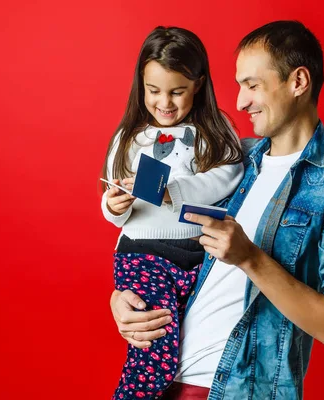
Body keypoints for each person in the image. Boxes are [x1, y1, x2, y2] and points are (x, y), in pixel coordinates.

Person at [110, 20, 324, 400]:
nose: (239, 102)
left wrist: (251, 259)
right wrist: (122, 296)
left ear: (298, 82)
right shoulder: (235, 158)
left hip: (236, 390)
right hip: (160, 380)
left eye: (252, 85)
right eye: (239, 85)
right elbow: (163, 232)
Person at [100, 26, 244, 400]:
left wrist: (174, 190)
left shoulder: (215, 129)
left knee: (197, 340)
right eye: (154, 91)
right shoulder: (130, 137)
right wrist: (113, 206)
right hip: (141, 252)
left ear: (197, 84)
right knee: (154, 341)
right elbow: (113, 194)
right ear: (140, 85)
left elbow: (229, 175)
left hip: (198, 252)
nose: (164, 102)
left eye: (176, 91)